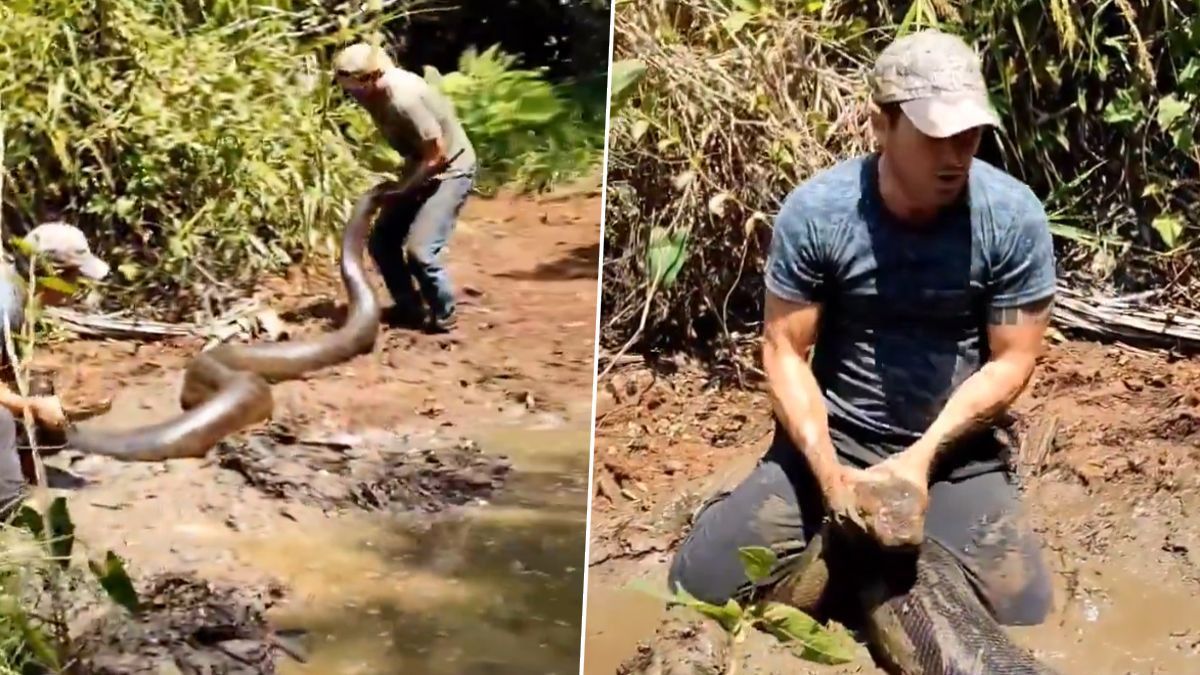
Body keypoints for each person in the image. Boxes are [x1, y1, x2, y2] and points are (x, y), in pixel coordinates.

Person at [666, 29, 1057, 628]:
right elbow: (784, 351)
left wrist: (919, 463)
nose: (956, 155)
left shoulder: (1013, 216)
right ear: (881, 123)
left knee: (1024, 611)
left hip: (955, 454)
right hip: (837, 441)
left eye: (970, 134)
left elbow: (1013, 359)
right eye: (936, 136)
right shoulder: (820, 212)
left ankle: (868, 564)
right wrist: (830, 476)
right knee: (697, 588)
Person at [332, 41, 477, 334]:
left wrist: (404, 190)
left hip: (451, 169)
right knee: (382, 241)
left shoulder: (403, 98)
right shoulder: (374, 95)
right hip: (421, 164)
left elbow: (438, 155)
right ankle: (408, 307)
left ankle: (444, 314)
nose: (352, 95)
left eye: (354, 89)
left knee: (421, 252)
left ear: (371, 77)